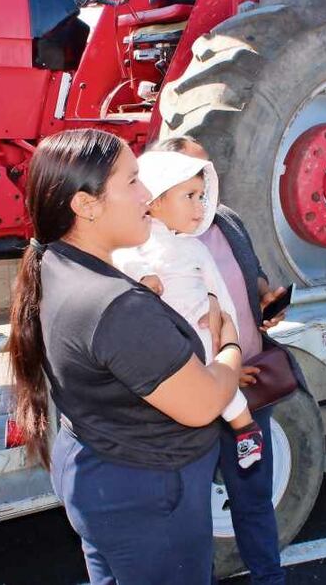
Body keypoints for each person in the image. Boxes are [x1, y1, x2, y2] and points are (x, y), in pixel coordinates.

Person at [6, 129, 244, 584]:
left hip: (106, 476)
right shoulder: (115, 305)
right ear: (86, 205)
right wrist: (229, 346)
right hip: (147, 494)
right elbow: (203, 403)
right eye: (132, 181)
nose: (147, 194)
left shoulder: (56, 264)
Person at [148, 135, 292, 585]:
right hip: (193, 400)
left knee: (254, 498)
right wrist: (223, 371)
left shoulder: (227, 220)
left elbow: (253, 274)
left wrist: (265, 298)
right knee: (189, 514)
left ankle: (269, 578)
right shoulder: (150, 246)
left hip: (250, 388)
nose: (203, 191)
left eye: (205, 178)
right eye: (190, 183)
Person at [113, 151, 264, 468]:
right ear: (155, 201)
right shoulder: (134, 243)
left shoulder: (196, 248)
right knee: (195, 392)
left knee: (224, 392)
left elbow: (220, 294)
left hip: (204, 333)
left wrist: (228, 333)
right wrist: (143, 275)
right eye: (190, 196)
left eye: (202, 197)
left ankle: (247, 433)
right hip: (169, 343)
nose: (200, 206)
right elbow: (121, 261)